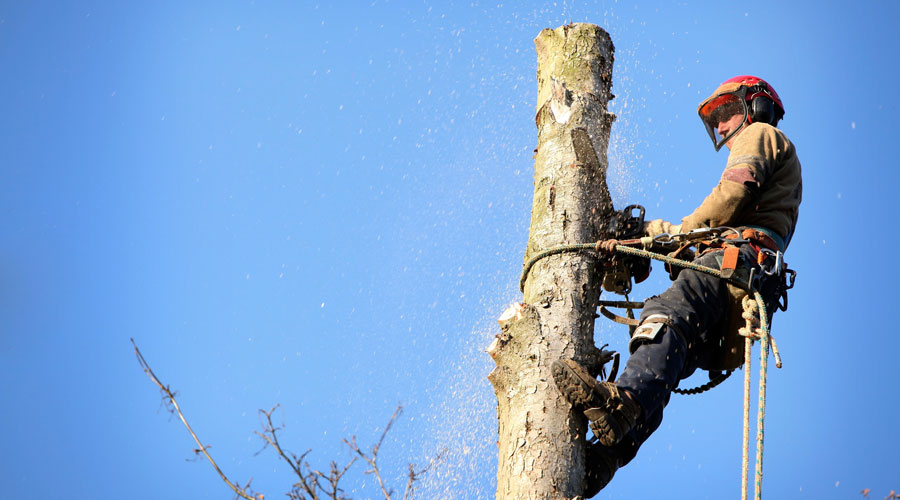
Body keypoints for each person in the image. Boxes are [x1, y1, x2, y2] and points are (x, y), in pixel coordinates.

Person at [551, 75, 802, 496]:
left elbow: (729, 196)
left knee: (662, 316)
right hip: (738, 296)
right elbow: (699, 233)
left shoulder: (762, 134)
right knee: (668, 354)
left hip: (734, 265)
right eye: (715, 121)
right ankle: (608, 455)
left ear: (756, 107)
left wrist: (677, 235)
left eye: (726, 114)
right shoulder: (766, 187)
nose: (721, 128)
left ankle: (621, 407)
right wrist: (645, 237)